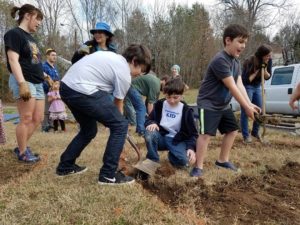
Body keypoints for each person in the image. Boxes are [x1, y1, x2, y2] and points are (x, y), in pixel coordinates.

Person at [55, 44, 151, 186]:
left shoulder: (113, 58)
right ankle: (108, 174)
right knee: (120, 125)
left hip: (66, 87)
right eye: (141, 70)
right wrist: (119, 128)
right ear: (135, 61)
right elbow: (118, 104)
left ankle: (65, 166)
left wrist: (116, 124)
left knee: (89, 130)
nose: (139, 74)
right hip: (81, 88)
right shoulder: (124, 73)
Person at [190, 24, 260, 177]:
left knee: (232, 130)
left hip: (222, 104)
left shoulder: (235, 61)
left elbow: (239, 83)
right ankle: (198, 167)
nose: (243, 46)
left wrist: (249, 103)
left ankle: (222, 160)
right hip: (208, 103)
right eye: (240, 42)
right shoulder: (220, 60)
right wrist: (245, 108)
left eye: (245, 43)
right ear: (228, 40)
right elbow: (232, 87)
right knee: (205, 135)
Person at [4, 4, 47, 163]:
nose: (39, 23)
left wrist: (45, 75)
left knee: (38, 118)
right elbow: (13, 60)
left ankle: (21, 146)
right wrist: (22, 83)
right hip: (24, 80)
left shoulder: (31, 38)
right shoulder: (14, 34)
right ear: (28, 15)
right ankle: (22, 152)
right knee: (26, 118)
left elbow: (33, 61)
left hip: (37, 82)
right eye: (37, 19)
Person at [144, 78, 198, 169]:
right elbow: (149, 119)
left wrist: (191, 148)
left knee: (185, 163)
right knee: (149, 133)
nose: (171, 100)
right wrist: (152, 123)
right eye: (168, 97)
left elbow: (193, 133)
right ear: (165, 94)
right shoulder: (160, 105)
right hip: (161, 137)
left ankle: (173, 156)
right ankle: (152, 160)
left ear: (181, 95)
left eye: (175, 97)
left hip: (177, 140)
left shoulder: (187, 111)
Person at [240, 44, 272, 143]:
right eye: (267, 55)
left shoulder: (268, 61)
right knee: (246, 110)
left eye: (270, 55)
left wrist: (264, 69)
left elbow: (268, 77)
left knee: (259, 110)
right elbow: (246, 80)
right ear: (262, 55)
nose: (269, 57)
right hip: (247, 86)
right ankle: (246, 135)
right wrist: (257, 70)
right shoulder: (250, 61)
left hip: (258, 87)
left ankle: (255, 132)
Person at [125, 71, 162, 136]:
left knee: (141, 108)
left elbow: (150, 100)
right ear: (164, 81)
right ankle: (141, 131)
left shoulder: (156, 82)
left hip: (130, 86)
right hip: (132, 87)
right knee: (141, 108)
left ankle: (139, 128)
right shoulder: (156, 85)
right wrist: (152, 118)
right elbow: (150, 103)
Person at [42, 48, 60, 132]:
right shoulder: (44, 66)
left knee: (53, 109)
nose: (54, 57)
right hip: (46, 91)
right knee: (46, 110)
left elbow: (57, 79)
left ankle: (51, 125)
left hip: (54, 92)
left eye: (55, 55)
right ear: (47, 56)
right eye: (52, 55)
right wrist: (49, 86)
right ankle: (45, 127)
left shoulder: (55, 67)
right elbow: (42, 78)